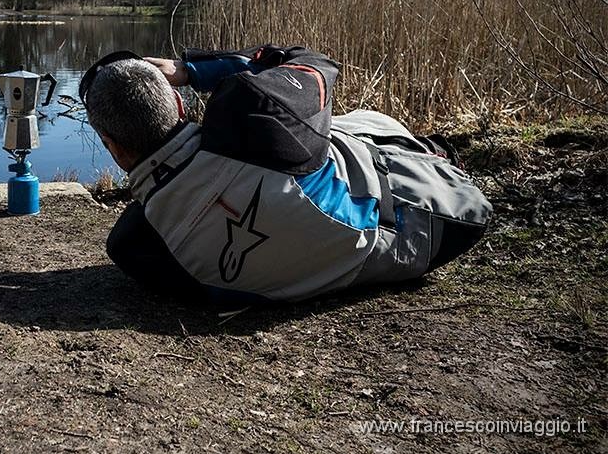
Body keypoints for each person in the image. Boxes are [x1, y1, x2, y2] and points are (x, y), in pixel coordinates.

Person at [79, 45, 492, 305]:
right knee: (347, 126)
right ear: (181, 107)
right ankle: (437, 151)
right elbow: (315, 64)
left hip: (388, 257)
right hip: (441, 217)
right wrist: (189, 72)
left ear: (112, 148)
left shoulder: (135, 244)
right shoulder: (249, 113)